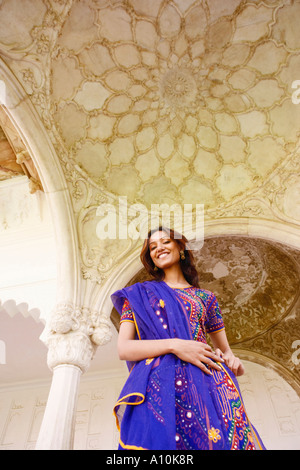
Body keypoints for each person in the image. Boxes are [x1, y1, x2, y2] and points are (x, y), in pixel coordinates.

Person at [111, 227, 265, 450]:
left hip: (210, 381)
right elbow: (124, 349)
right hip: (161, 385)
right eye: (153, 247)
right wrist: (175, 345)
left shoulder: (206, 298)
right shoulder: (138, 295)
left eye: (165, 242)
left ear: (180, 247)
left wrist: (231, 360)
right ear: (150, 258)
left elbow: (225, 350)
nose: (159, 248)